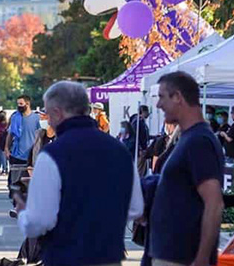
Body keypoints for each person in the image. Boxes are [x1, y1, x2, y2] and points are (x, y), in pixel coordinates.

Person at [15, 81, 141, 266]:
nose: (47, 120)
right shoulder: (119, 151)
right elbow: (136, 208)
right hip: (108, 256)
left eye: (48, 114)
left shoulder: (52, 155)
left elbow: (39, 222)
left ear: (58, 113)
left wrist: (23, 213)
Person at [149, 72, 224, 266]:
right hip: (172, 255)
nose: (158, 105)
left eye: (162, 97)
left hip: (182, 258)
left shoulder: (199, 141)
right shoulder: (190, 138)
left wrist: (202, 258)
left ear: (178, 97)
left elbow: (214, 203)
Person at [5, 95, 41, 216]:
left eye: (21, 104)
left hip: (32, 156)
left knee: (31, 183)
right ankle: (16, 206)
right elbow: (10, 134)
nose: (19, 106)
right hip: (17, 155)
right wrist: (6, 148)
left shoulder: (36, 118)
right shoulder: (15, 117)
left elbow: (41, 136)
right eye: (18, 104)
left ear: (27, 104)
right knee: (15, 183)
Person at [126, 105, 151, 176]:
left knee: (142, 170)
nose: (148, 114)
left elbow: (143, 136)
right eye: (147, 112)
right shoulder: (137, 122)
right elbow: (135, 136)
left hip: (141, 150)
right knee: (140, 171)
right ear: (143, 112)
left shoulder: (140, 121)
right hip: (139, 151)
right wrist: (139, 148)